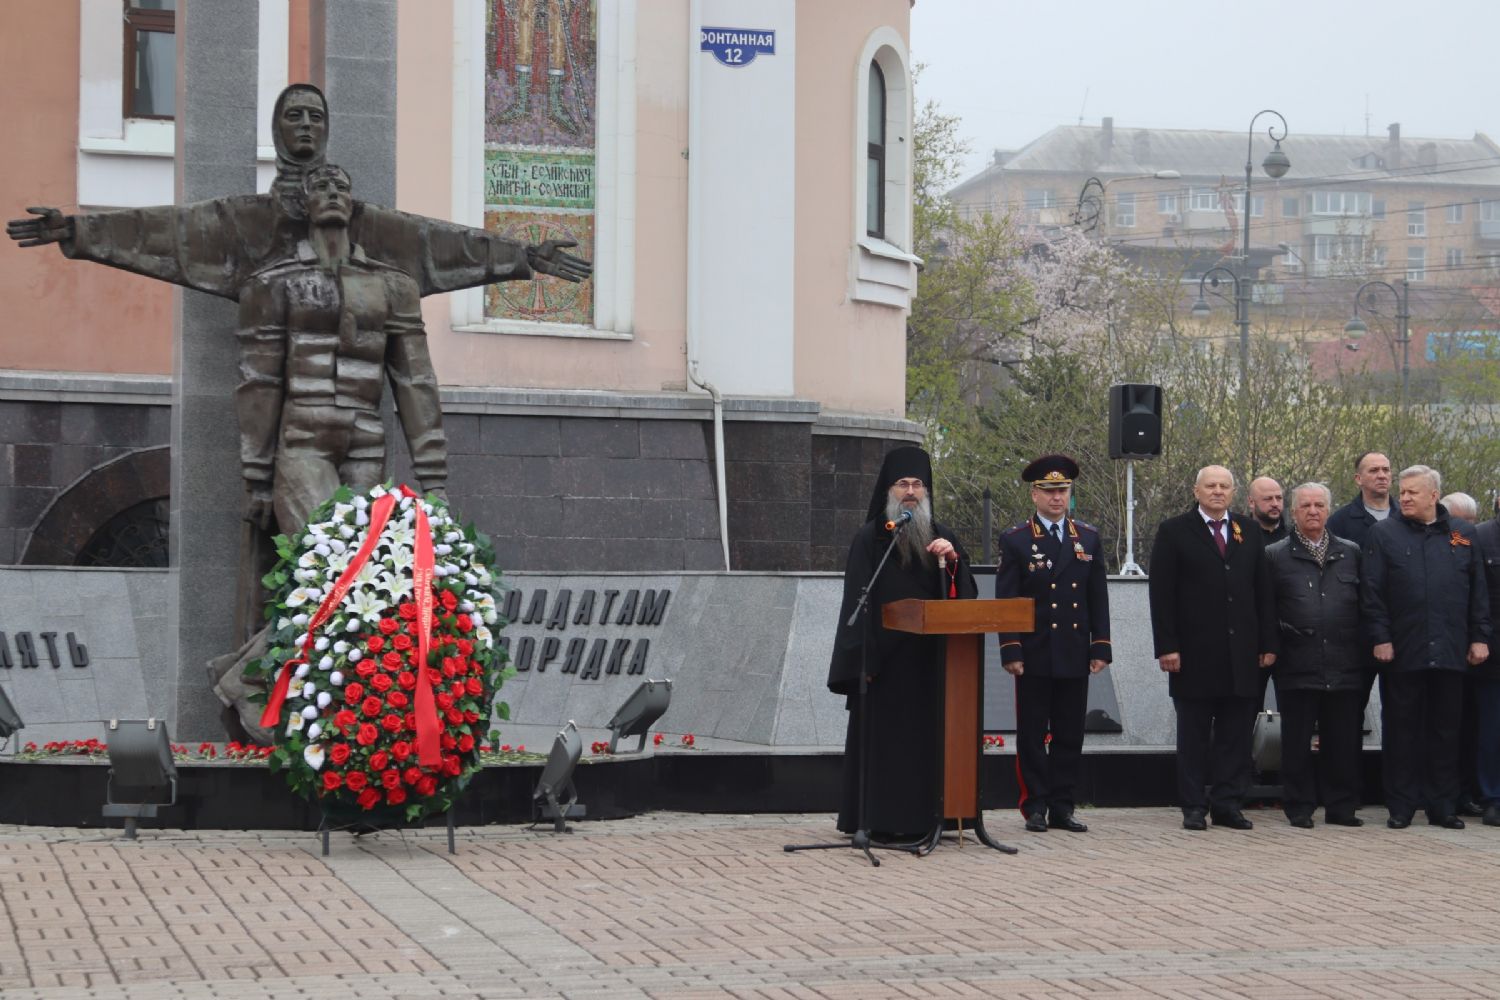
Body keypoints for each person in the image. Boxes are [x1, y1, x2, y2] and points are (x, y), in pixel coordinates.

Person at [237, 164, 447, 533]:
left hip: (366, 434)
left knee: (362, 563)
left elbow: (415, 380)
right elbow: (261, 380)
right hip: (304, 434)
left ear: (352, 204)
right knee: (321, 549)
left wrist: (434, 479)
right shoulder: (275, 282)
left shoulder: (393, 285)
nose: (333, 193)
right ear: (304, 205)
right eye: (321, 186)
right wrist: (257, 474)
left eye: (341, 187)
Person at [827, 447, 977, 840]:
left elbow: (965, 601)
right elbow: (856, 600)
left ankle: (931, 819)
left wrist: (954, 562)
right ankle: (879, 823)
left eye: (917, 485)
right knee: (888, 750)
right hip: (886, 668)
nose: (910, 492)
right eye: (903, 485)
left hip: (931, 668)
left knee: (925, 749)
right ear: (888, 490)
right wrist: (863, 663)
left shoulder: (943, 538)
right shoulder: (870, 539)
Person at [1362, 465, 1491, 829]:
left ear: (1433, 495)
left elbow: (1477, 590)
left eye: (1412, 492)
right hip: (1403, 651)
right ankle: (1401, 806)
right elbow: (1372, 592)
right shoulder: (1383, 534)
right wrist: (1381, 637)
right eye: (1401, 492)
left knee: (1446, 732)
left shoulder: (1462, 534)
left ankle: (1443, 806)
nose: (1403, 497)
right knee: (1402, 730)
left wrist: (1480, 636)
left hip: (1451, 651)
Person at [1148, 465, 1276, 831]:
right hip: (1194, 653)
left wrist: (1268, 641)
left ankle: (1227, 803)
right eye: (1211, 486)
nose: (1217, 491)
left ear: (1234, 493)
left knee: (1235, 734)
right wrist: (1167, 646)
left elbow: (1262, 591)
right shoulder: (1174, 531)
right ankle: (1192, 805)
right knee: (1194, 734)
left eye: (1224, 486)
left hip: (1241, 653)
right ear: (1196, 491)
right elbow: (1162, 594)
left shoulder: (1248, 530)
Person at [995, 455, 1111, 834]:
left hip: (1074, 650)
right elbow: (1007, 601)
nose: (1057, 498)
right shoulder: (1017, 540)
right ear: (1035, 495)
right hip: (1035, 651)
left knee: (1069, 733)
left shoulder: (1088, 538)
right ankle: (1036, 805)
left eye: (1062, 490)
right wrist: (1010, 649)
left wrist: (1101, 646)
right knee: (1032, 733)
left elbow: (1098, 598)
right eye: (1049, 491)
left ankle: (1064, 804)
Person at [1264, 483, 1365, 828]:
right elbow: (1267, 608)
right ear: (1293, 513)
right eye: (1305, 506)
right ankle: (1299, 805)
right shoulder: (1276, 554)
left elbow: (1365, 604)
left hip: (1344, 659)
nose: (1312, 511)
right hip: (1297, 660)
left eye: (1319, 505)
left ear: (1328, 510)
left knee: (1343, 738)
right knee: (1296, 739)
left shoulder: (1350, 551)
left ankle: (1341, 806)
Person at [1441, 492, 1486, 816]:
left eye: (1472, 522)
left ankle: (1473, 791)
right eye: (1461, 522)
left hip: (1479, 652)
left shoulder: (1476, 545)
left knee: (1476, 728)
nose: (1468, 530)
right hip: (1448, 652)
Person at [1473, 498, 1500, 826]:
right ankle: (1492, 797)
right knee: (1491, 731)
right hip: (1493, 652)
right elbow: (1450, 543)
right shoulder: (1473, 536)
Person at [1327, 452, 1394, 549]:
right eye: (1374, 470)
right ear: (1359, 479)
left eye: (1386, 470)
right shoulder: (1339, 521)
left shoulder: (1406, 516)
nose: (1382, 476)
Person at [1247, 476, 1288, 545]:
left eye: (1279, 498)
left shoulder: (1295, 537)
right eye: (1268, 499)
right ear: (1251, 502)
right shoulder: (1239, 537)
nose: (1275, 504)